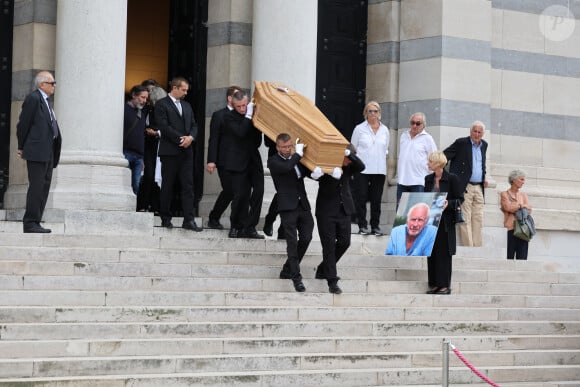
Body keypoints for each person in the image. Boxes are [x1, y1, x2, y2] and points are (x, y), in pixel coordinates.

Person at [314, 145, 365, 294]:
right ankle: (332, 281)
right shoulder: (326, 166)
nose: (349, 162)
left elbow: (361, 166)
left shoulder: (349, 167)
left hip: (344, 210)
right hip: (326, 211)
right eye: (348, 159)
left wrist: (350, 154)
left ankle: (323, 268)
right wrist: (326, 172)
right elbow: (313, 173)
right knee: (328, 246)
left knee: (345, 242)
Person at [16, 70, 62, 233]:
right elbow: (23, 125)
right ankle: (30, 222)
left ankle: (36, 221)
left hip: (48, 150)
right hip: (36, 151)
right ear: (42, 84)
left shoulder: (47, 101)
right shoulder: (34, 98)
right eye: (52, 83)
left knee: (44, 186)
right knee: (36, 186)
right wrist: (21, 147)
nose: (54, 86)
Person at [154, 76, 202, 231]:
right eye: (184, 90)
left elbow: (194, 124)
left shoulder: (187, 106)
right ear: (174, 88)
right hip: (170, 151)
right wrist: (180, 139)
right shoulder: (162, 104)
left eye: (187, 90)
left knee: (188, 186)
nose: (186, 93)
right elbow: (163, 125)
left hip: (187, 151)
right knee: (167, 185)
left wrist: (191, 137)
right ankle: (165, 218)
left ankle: (189, 220)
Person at [268, 133, 314, 292]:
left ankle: (287, 268)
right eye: (284, 147)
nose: (287, 150)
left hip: (303, 205)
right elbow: (287, 167)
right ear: (278, 147)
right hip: (287, 206)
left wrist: (317, 173)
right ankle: (296, 277)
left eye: (289, 146)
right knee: (292, 242)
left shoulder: (297, 160)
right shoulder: (274, 161)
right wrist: (298, 154)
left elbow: (306, 172)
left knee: (307, 237)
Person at [222, 90, 264, 239]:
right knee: (240, 195)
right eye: (238, 106)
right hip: (237, 161)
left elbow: (257, 140)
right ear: (233, 104)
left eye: (244, 105)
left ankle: (250, 227)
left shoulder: (252, 115)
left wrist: (253, 117)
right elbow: (240, 132)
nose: (242, 109)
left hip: (253, 159)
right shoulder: (228, 117)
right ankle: (235, 226)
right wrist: (248, 116)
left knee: (258, 192)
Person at [424, 151, 463, 295]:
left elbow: (460, 199)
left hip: (445, 221)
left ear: (438, 163)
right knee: (431, 252)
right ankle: (434, 284)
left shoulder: (452, 178)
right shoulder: (428, 179)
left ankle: (444, 285)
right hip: (430, 220)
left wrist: (449, 204)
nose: (428, 164)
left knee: (444, 253)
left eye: (430, 161)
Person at [444, 121, 488, 247]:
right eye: (475, 131)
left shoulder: (484, 145)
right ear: (470, 131)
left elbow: (481, 164)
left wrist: (484, 176)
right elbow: (444, 156)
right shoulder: (461, 143)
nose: (477, 134)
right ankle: (468, 248)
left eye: (479, 132)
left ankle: (478, 248)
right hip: (465, 186)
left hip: (479, 187)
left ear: (483, 134)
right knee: (465, 217)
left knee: (478, 218)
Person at [351, 101, 390, 236]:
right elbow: (353, 149)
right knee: (361, 198)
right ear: (365, 113)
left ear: (379, 113)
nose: (372, 114)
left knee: (376, 199)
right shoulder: (359, 128)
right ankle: (362, 225)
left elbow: (386, 149)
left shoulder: (385, 130)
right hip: (362, 169)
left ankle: (375, 226)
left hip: (379, 169)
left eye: (375, 111)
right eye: (370, 111)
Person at [206, 85, 241, 229]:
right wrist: (211, 161)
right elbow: (213, 139)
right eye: (237, 96)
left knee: (239, 191)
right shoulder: (219, 115)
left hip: (240, 161)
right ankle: (214, 217)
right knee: (229, 190)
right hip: (224, 161)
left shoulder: (243, 115)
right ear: (229, 98)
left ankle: (237, 223)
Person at [396, 112, 437, 208]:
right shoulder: (404, 136)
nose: (414, 126)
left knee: (416, 212)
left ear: (423, 125)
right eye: (412, 123)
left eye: (418, 123)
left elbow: (434, 158)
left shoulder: (428, 138)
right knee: (400, 213)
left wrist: (429, 176)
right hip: (402, 180)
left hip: (419, 181)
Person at [137, 85, 166, 213]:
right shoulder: (146, 109)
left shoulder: (164, 111)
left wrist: (156, 132)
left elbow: (168, 128)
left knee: (158, 177)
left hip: (160, 146)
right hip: (147, 146)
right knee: (148, 176)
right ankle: (143, 205)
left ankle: (156, 206)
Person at [123, 85, 149, 195]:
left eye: (146, 98)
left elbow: (141, 136)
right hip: (125, 153)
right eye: (142, 97)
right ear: (134, 95)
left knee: (136, 186)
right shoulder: (123, 109)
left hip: (138, 156)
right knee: (124, 184)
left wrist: (142, 158)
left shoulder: (141, 114)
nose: (144, 101)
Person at [500, 170, 531, 260]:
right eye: (521, 179)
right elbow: (507, 207)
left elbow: (528, 209)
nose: (523, 182)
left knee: (522, 258)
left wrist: (516, 207)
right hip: (511, 228)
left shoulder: (523, 195)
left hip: (523, 229)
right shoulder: (504, 194)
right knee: (509, 257)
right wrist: (521, 206)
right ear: (514, 180)